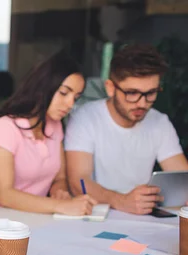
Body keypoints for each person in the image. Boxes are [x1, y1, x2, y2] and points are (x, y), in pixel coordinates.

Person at [65, 44, 188, 215]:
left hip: (145, 218)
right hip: (96, 217)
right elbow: (78, 182)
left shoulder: (159, 122)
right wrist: (121, 201)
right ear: (110, 88)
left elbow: (182, 178)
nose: (142, 103)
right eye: (132, 93)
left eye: (151, 93)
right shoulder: (85, 118)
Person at [0, 51, 97, 215]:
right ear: (42, 88)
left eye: (75, 97)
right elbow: (6, 196)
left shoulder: (55, 126)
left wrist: (59, 191)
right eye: (64, 93)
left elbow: (59, 178)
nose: (70, 104)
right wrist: (60, 206)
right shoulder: (5, 128)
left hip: (36, 216)